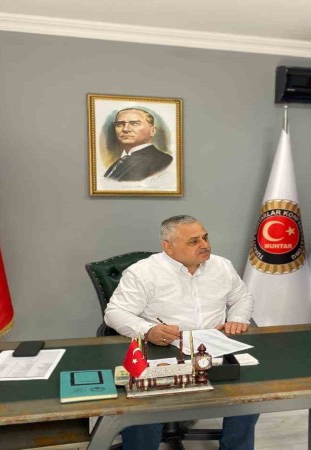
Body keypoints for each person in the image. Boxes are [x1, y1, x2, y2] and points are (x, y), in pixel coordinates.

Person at [104, 215, 258, 450]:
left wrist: (237, 319)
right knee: (144, 405)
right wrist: (149, 330)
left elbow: (242, 298)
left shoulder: (222, 266)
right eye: (194, 241)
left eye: (205, 237)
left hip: (216, 348)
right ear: (168, 247)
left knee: (250, 394)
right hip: (162, 351)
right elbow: (115, 313)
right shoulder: (143, 272)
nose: (204, 245)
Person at [104, 108, 173, 181]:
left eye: (135, 124)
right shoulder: (122, 159)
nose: (125, 129)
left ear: (152, 131)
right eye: (120, 124)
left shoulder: (163, 160)